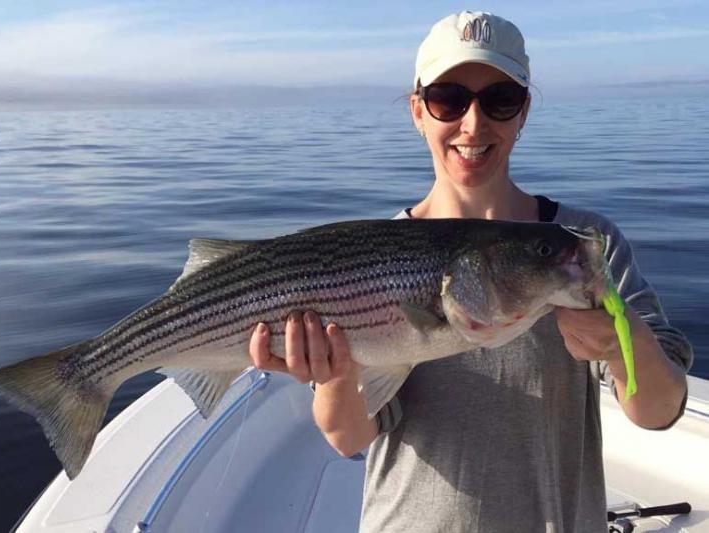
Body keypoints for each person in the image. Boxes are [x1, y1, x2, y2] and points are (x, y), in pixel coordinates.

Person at [248, 11, 692, 533]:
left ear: (523, 112)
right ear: (418, 111)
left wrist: (623, 343)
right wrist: (338, 378)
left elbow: (658, 412)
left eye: (499, 99)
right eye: (449, 99)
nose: (474, 124)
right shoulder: (369, 258)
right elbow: (349, 438)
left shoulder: (579, 246)